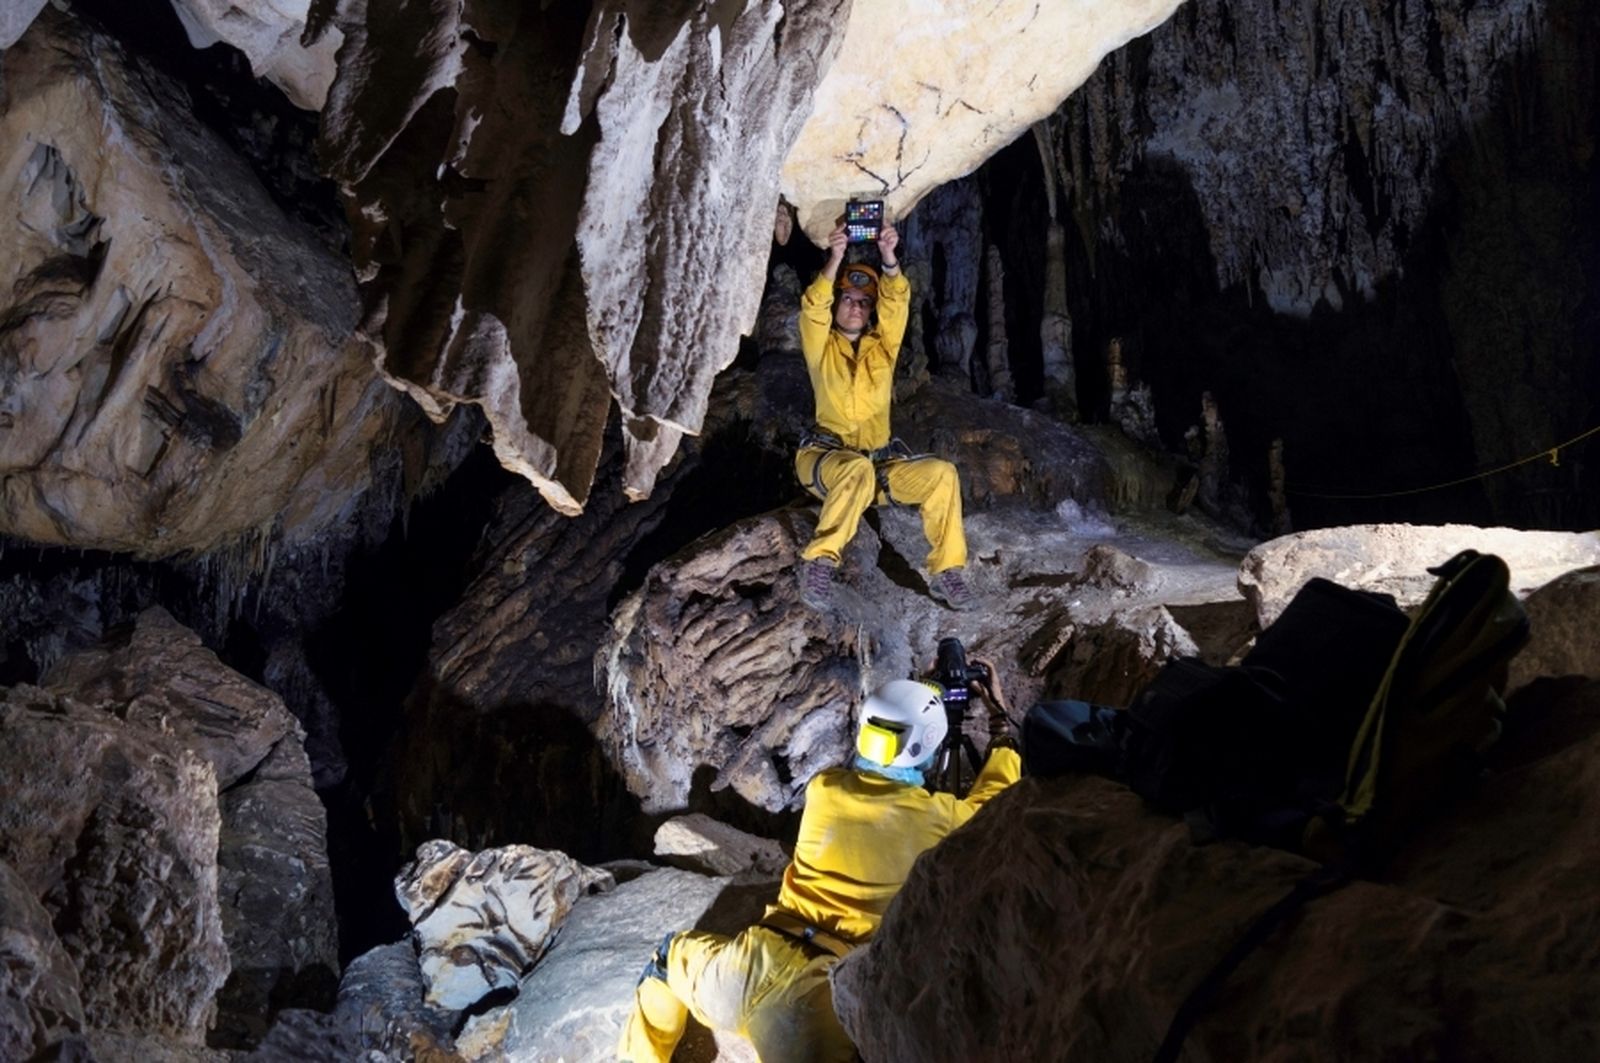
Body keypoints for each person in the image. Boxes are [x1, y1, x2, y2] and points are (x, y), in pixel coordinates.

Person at [617, 664, 1022, 1063]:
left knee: (666, 961)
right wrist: (1000, 724)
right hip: (821, 999)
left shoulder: (825, 788)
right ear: (927, 743)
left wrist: (913, 696)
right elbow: (999, 797)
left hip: (751, 964)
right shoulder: (944, 818)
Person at [795, 220, 974, 611]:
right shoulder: (820, 347)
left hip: (878, 467)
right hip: (826, 461)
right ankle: (820, 562)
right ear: (837, 303)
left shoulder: (883, 348)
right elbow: (812, 308)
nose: (856, 307)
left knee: (943, 473)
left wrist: (889, 257)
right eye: (848, 299)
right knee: (856, 469)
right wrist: (835, 257)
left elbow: (897, 304)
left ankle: (948, 570)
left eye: (864, 302)